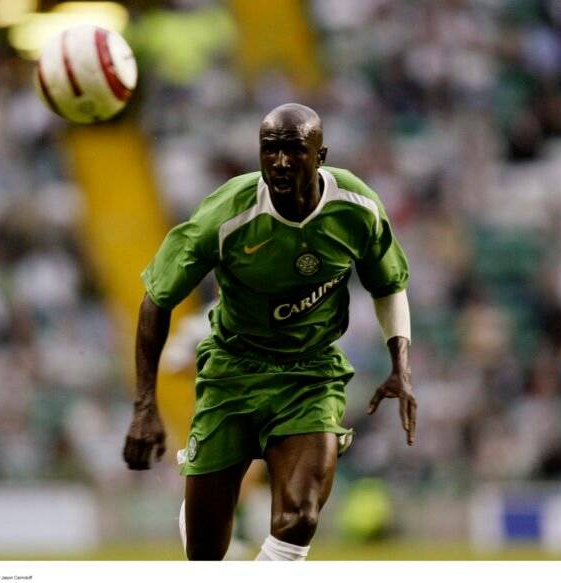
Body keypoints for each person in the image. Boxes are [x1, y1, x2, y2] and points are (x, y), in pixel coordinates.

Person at [123, 103, 416, 560]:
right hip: (232, 373)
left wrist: (401, 365)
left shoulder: (357, 208)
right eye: (269, 150)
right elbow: (156, 299)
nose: (279, 162)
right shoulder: (226, 212)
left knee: (299, 518)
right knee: (205, 555)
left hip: (310, 374)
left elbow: (389, 285)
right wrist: (145, 405)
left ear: (320, 156)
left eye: (293, 150)